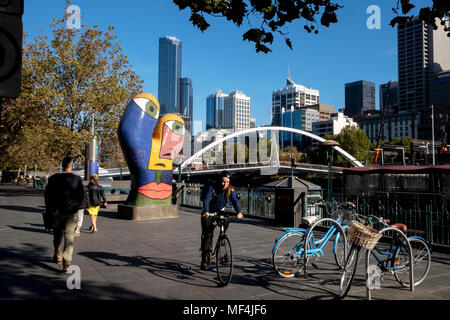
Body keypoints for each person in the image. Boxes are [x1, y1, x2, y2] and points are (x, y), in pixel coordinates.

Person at [44, 156, 85, 272]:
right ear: (72, 166)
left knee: (57, 236)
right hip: (71, 212)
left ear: (62, 165)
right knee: (69, 237)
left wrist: (49, 208)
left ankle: (58, 256)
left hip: (56, 211)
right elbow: (81, 196)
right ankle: (67, 262)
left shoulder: (53, 178)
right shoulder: (76, 180)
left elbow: (47, 195)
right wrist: (75, 206)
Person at [200, 170, 243, 271]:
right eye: (223, 181)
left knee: (225, 222)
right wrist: (206, 211)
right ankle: (205, 260)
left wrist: (239, 212)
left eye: (227, 182)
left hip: (219, 212)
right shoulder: (212, 187)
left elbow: (235, 201)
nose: (225, 184)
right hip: (209, 213)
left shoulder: (229, 189)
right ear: (220, 180)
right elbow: (206, 199)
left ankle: (221, 238)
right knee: (208, 235)